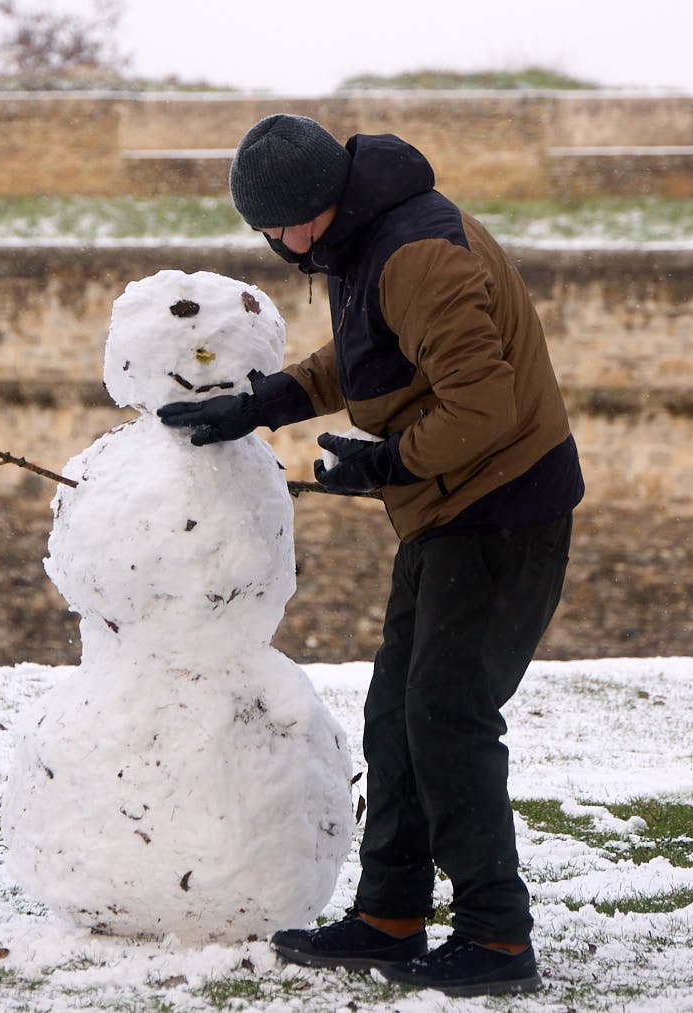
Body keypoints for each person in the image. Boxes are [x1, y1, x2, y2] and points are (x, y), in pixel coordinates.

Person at [158, 113, 583, 998]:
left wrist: (382, 463)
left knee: (447, 718)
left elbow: (486, 406)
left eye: (274, 228)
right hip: (448, 515)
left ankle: (498, 939)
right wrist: (265, 402)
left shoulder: (418, 254)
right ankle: (390, 916)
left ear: (313, 207)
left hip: (504, 514)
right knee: (398, 715)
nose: (272, 244)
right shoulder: (366, 240)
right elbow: (369, 357)